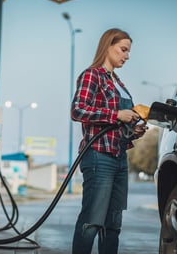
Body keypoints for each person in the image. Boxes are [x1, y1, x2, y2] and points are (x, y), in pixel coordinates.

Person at [70, 28, 147, 254]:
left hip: (119, 158)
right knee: (92, 220)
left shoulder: (119, 83)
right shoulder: (91, 75)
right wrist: (116, 115)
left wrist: (134, 130)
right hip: (98, 157)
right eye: (123, 49)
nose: (127, 56)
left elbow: (118, 127)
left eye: (128, 51)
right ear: (108, 46)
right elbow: (77, 110)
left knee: (113, 224)